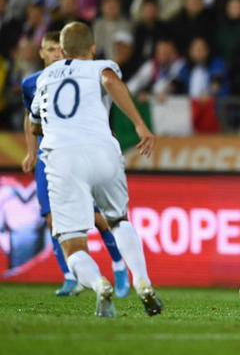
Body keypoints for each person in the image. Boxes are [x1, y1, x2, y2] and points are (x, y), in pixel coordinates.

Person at [29, 22, 162, 318]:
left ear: (62, 50)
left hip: (62, 159)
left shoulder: (44, 77)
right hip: (102, 150)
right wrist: (139, 124)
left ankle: (100, 284)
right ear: (92, 48)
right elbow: (109, 80)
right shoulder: (100, 66)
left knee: (72, 244)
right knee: (118, 220)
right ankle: (143, 281)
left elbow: (35, 122)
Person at [21, 30, 129, 298]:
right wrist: (31, 152)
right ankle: (72, 277)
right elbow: (30, 117)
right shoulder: (33, 83)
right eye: (50, 49)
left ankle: (118, 266)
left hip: (80, 153)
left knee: (99, 218)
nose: (55, 54)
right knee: (52, 219)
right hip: (50, 156)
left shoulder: (84, 75)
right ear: (41, 53)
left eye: (58, 49)